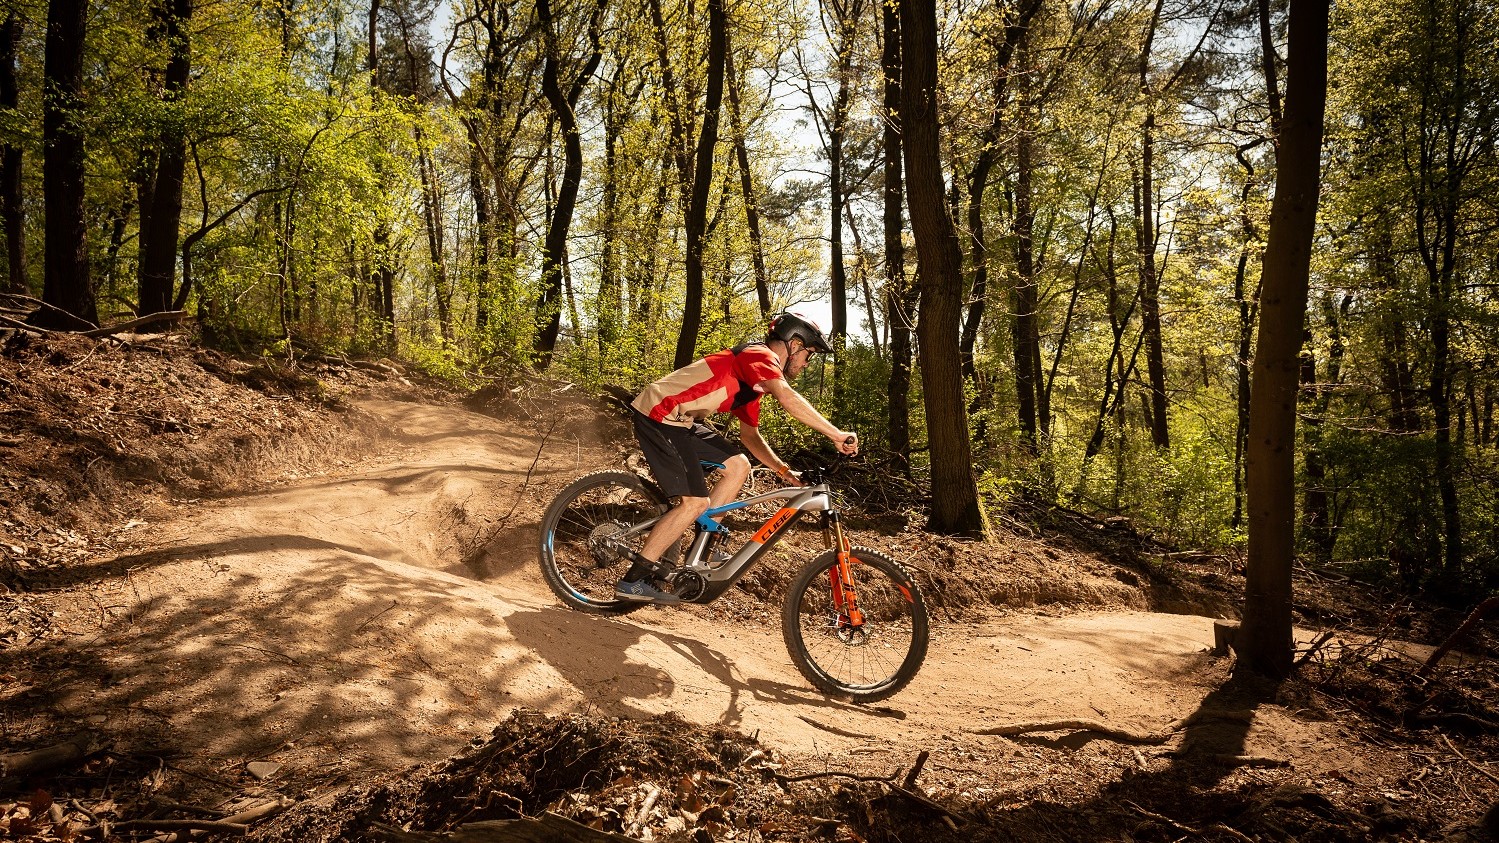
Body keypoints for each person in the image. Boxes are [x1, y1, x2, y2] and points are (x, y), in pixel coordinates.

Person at [617, 312, 859, 603]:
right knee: (695, 502)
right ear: (794, 344)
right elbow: (787, 397)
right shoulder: (759, 355)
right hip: (660, 412)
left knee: (738, 464)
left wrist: (784, 471)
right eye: (809, 354)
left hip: (681, 420)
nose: (807, 364)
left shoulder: (754, 384)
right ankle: (633, 579)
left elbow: (750, 438)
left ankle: (702, 549)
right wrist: (835, 434)